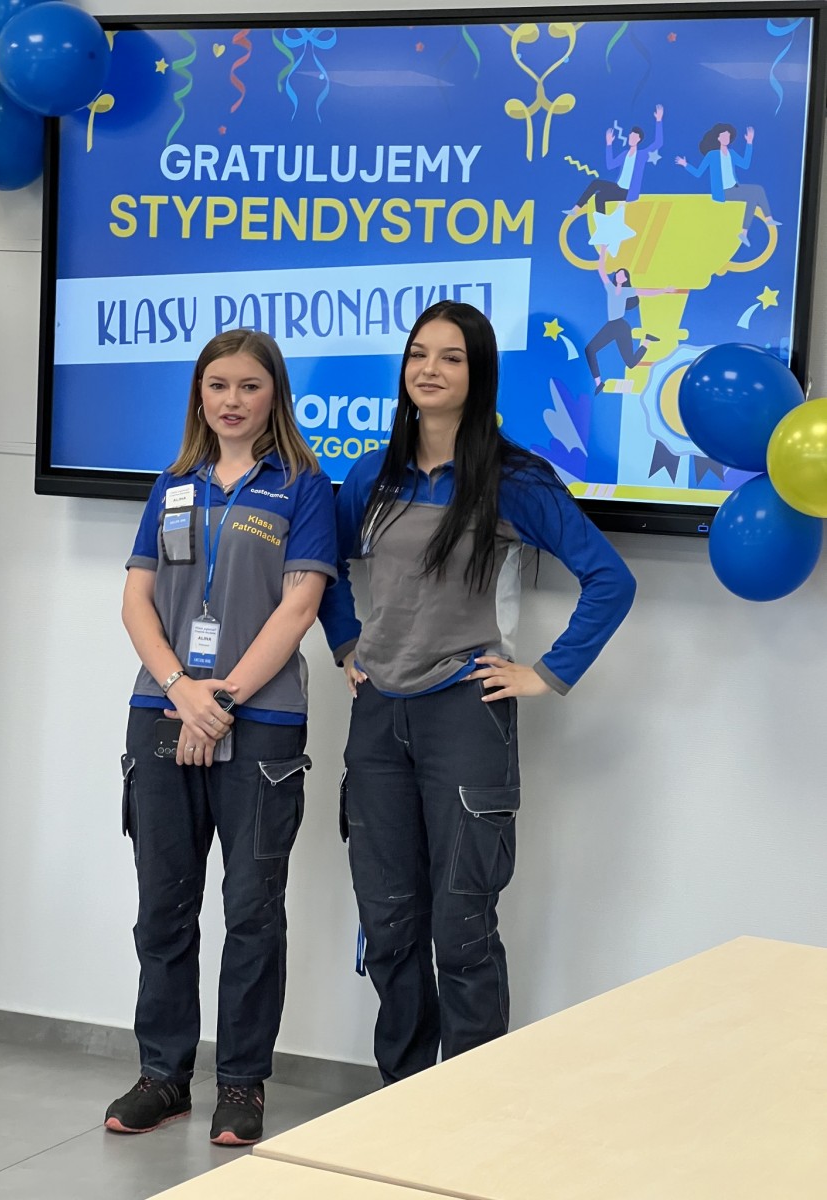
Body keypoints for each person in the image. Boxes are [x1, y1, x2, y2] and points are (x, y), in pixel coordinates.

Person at [318, 301, 636, 1086]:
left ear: (478, 372)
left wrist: (546, 674)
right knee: (389, 927)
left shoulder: (512, 479)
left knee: (461, 929)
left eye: (450, 357)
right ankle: (398, 1100)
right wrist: (348, 644)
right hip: (378, 720)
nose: (429, 369)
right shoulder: (374, 473)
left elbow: (610, 578)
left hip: (465, 716)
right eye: (418, 354)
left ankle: (468, 1109)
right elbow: (323, 564)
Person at [105, 330, 336, 1145]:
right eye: (216, 385)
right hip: (161, 711)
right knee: (163, 911)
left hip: (260, 722)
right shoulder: (171, 483)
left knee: (252, 912)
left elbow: (300, 606)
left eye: (248, 385)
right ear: (199, 396)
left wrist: (222, 699)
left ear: (275, 395)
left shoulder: (304, 488)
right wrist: (181, 689)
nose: (231, 400)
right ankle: (163, 1077)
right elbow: (136, 601)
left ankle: (241, 1084)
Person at [676, 123, 780, 247]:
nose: (727, 138)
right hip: (723, 192)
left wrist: (749, 143)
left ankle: (754, 227)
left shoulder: (731, 153)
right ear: (718, 138)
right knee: (753, 195)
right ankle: (752, 228)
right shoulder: (712, 155)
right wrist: (685, 164)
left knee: (758, 190)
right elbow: (698, 173)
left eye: (728, 136)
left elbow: (745, 165)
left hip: (735, 187)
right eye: (724, 136)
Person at [585, 251, 674, 394]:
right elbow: (601, 270)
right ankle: (599, 382)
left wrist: (665, 290)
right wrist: (603, 250)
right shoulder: (610, 288)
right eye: (618, 274)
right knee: (589, 349)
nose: (619, 276)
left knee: (631, 363)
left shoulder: (627, 291)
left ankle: (646, 342)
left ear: (626, 278)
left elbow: (647, 292)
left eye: (623, 274)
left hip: (621, 327)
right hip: (611, 325)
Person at [565, 105, 664, 215]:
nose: (631, 138)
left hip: (628, 192)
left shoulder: (642, 155)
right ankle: (576, 209)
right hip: (618, 187)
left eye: (634, 137)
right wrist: (609, 145)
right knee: (597, 189)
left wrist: (659, 120)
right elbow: (610, 165)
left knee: (600, 196)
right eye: (630, 136)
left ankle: (598, 219)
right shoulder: (624, 154)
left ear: (639, 140)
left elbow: (658, 143)